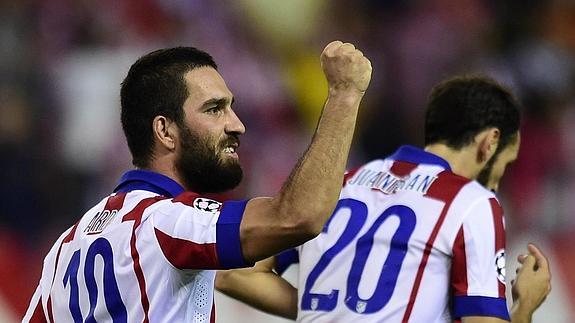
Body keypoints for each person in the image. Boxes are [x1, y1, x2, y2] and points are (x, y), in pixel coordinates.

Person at [22, 40, 372, 322]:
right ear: (165, 130)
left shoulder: (66, 248)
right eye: (214, 109)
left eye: (230, 107)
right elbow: (297, 216)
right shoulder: (167, 221)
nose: (237, 125)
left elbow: (232, 275)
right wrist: (344, 93)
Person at [216, 75, 552, 322]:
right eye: (507, 162)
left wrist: (330, 310)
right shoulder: (472, 202)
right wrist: (525, 304)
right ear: (489, 143)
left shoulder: (341, 183)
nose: (500, 177)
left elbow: (235, 273)